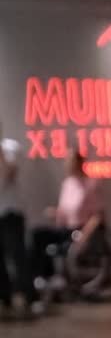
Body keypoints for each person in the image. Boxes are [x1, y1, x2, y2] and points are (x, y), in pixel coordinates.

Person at [30, 150, 104, 286]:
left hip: (81, 229)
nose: (67, 164)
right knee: (38, 234)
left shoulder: (90, 185)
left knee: (67, 245)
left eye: (70, 161)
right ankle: (46, 277)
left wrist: (85, 235)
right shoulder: (68, 184)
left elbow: (97, 216)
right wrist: (56, 212)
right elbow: (65, 210)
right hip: (65, 228)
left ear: (78, 163)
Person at [0, 130, 39, 316]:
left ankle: (31, 298)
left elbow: (6, 176)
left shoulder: (11, 148)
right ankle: (4, 298)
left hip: (11, 213)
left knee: (18, 256)